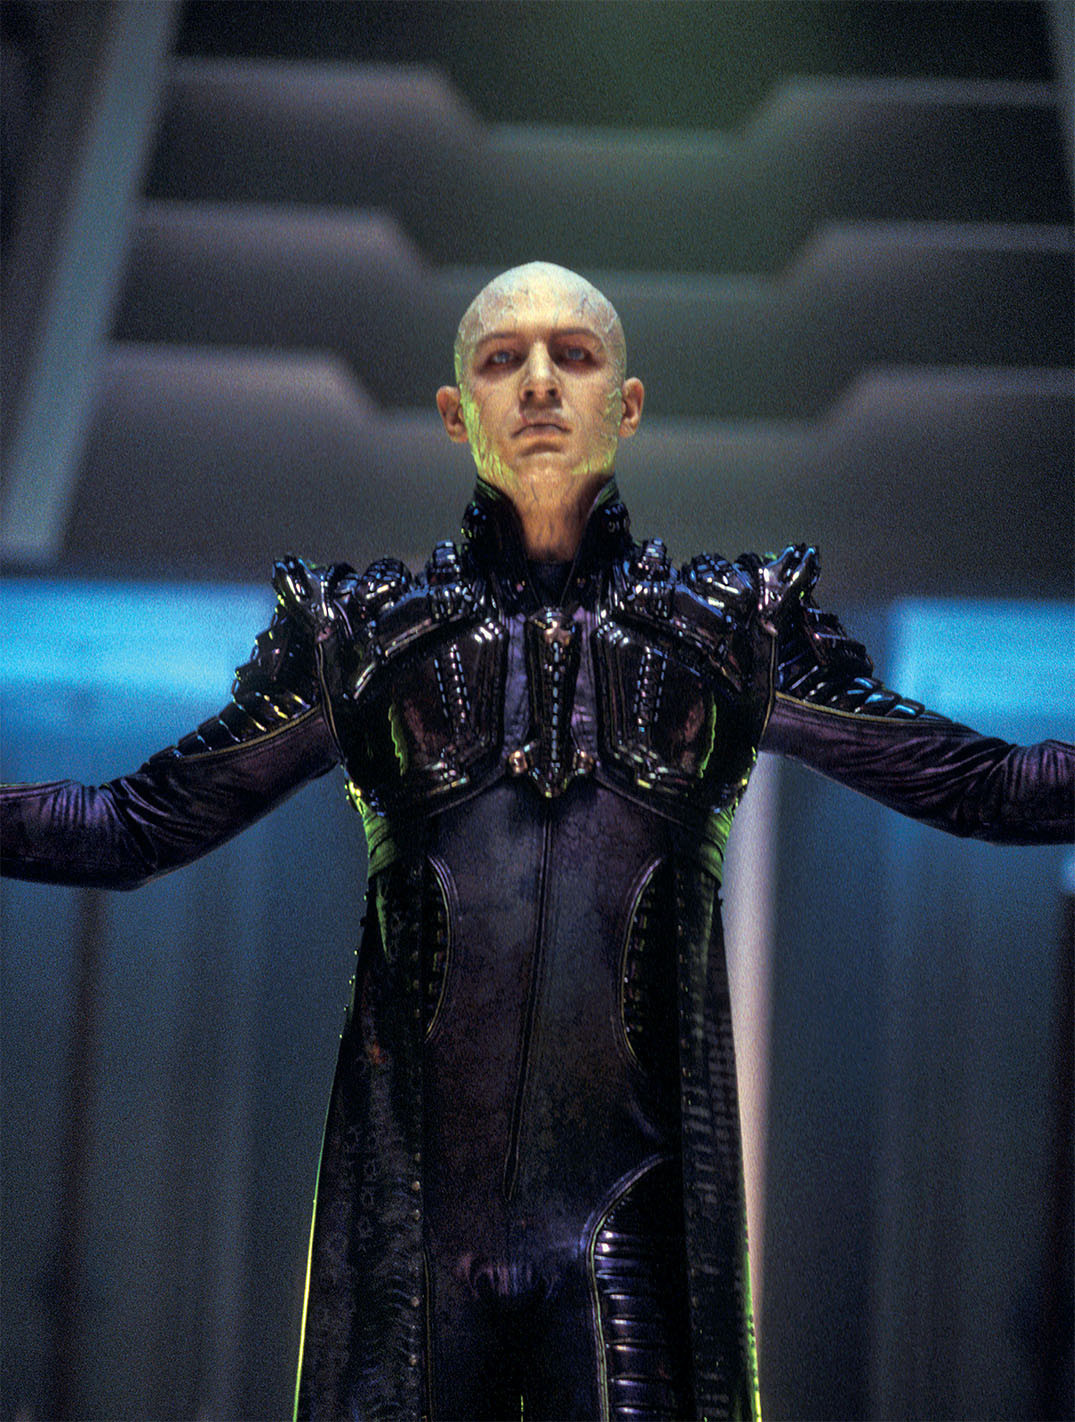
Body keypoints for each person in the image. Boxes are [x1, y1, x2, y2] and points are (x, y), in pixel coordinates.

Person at [2, 261, 1071, 1422]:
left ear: (629, 403)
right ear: (456, 410)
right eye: (503, 359)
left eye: (576, 354)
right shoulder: (365, 641)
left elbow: (989, 788)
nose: (542, 383)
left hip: (631, 1243)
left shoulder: (730, 637)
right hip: (417, 1251)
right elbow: (127, 826)